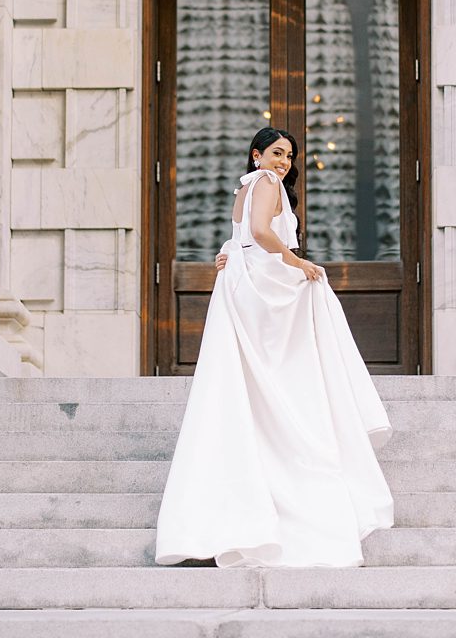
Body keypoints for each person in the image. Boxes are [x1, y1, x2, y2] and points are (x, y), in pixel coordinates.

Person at [154, 126, 395, 567]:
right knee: (297, 352)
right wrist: (298, 261)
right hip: (265, 284)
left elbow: (242, 236)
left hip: (248, 283)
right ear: (257, 154)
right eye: (278, 153)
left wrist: (230, 253)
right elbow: (262, 233)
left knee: (256, 382)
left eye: (289, 156)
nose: (284, 162)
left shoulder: (245, 188)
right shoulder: (266, 183)